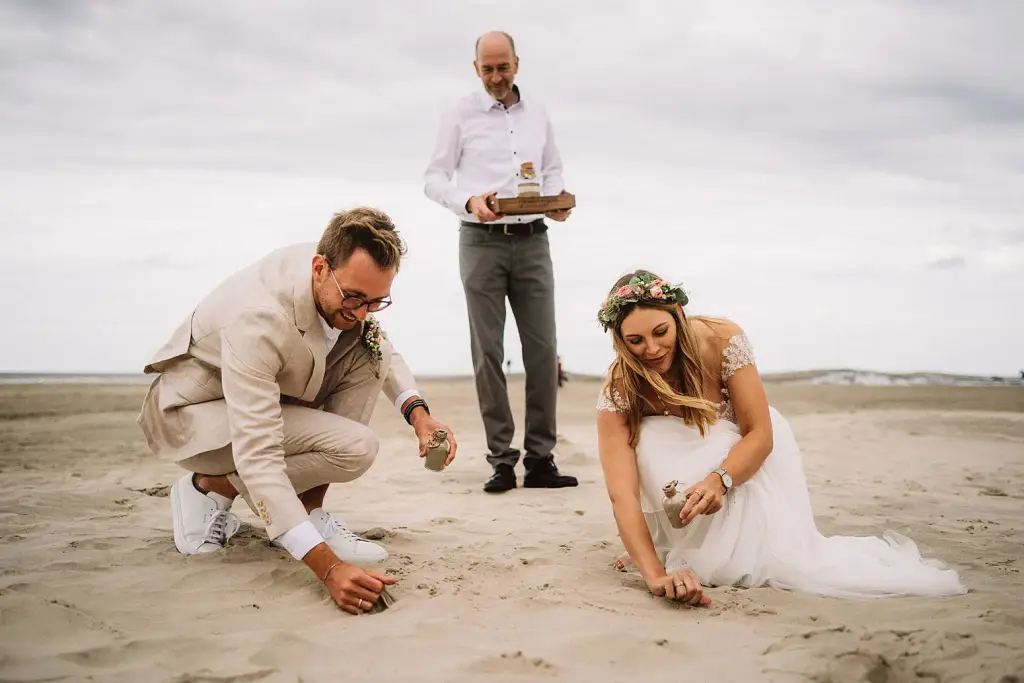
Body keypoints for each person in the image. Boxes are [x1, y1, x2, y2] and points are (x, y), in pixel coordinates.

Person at [136, 207, 458, 616]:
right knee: (355, 446)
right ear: (320, 268)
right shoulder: (258, 318)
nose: (361, 313)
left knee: (370, 353)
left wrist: (420, 416)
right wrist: (328, 569)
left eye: (376, 302)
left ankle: (305, 512)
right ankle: (208, 487)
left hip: (270, 402)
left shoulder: (342, 274)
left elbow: (384, 352)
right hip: (194, 414)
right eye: (354, 298)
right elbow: (260, 455)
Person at [594, 270, 967, 606]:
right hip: (690, 481)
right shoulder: (621, 388)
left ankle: (709, 542)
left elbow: (760, 433)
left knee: (748, 550)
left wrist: (718, 481)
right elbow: (622, 492)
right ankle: (666, 546)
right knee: (651, 438)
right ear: (620, 340)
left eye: (661, 332)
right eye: (636, 341)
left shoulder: (721, 339)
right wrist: (655, 574)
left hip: (744, 463)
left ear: (677, 316)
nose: (652, 349)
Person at [423, 30, 576, 493]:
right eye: (487, 69)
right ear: (476, 70)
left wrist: (558, 200)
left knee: (543, 351)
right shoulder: (459, 113)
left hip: (533, 240)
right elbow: (433, 178)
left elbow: (552, 169)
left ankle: (541, 460)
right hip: (480, 242)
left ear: (516, 63)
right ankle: (502, 461)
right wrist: (469, 201)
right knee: (488, 352)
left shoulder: (540, 113)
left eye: (502, 67)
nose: (496, 76)